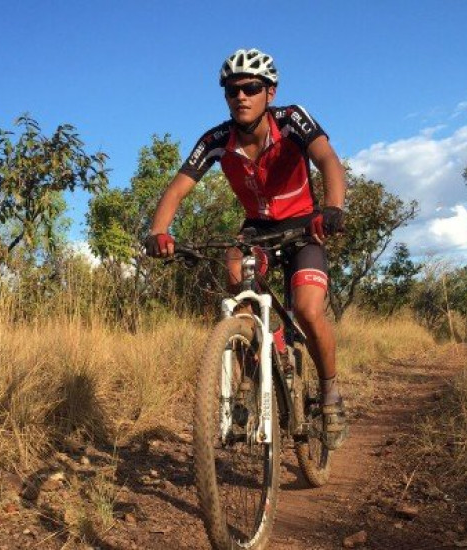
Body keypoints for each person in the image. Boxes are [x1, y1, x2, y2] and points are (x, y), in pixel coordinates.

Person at [145, 48, 348, 449]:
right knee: (236, 275)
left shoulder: (291, 120)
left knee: (307, 309)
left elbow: (327, 159)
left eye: (251, 87)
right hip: (257, 228)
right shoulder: (217, 139)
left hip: (303, 226)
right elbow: (179, 186)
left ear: (269, 93)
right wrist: (159, 231)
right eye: (231, 90)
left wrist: (333, 208)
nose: (240, 96)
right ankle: (252, 362)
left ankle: (329, 394)